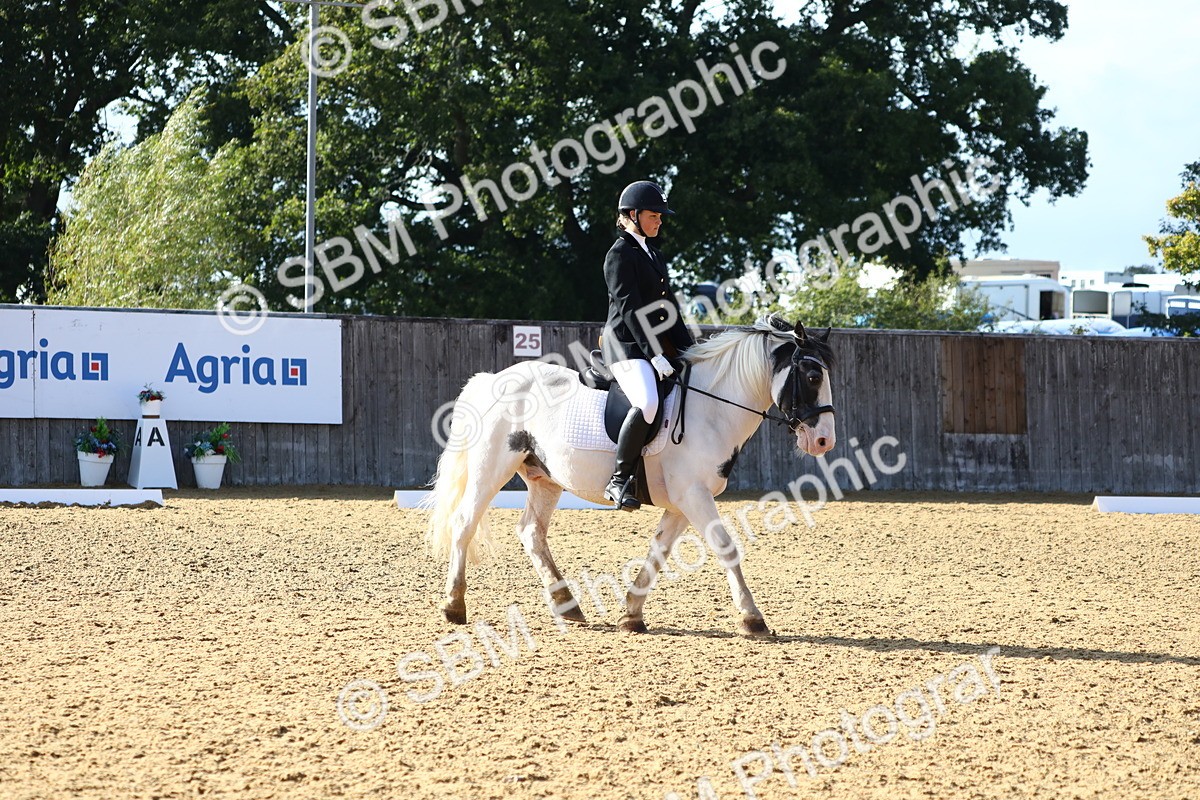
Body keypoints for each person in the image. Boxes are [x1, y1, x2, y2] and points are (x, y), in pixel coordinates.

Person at [601, 180, 695, 510]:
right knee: (648, 402)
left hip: (653, 345)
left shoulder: (653, 253)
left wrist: (692, 351)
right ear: (633, 215)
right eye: (653, 215)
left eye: (660, 216)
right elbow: (630, 309)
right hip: (625, 346)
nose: (659, 221)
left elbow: (668, 311)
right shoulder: (619, 255)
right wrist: (654, 354)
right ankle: (618, 479)